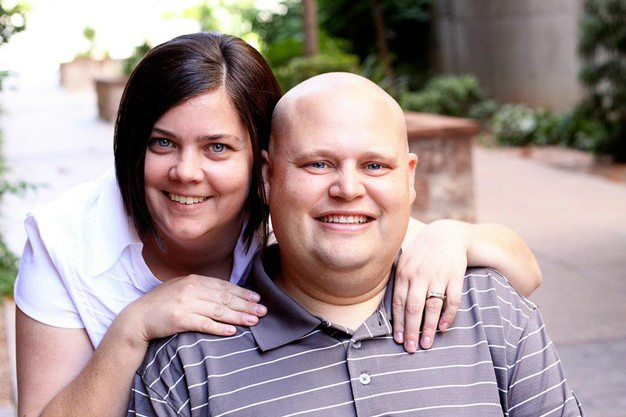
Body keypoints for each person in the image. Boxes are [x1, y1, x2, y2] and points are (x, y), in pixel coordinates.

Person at [15, 33, 541, 417]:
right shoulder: (69, 241)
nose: (186, 171)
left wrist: (456, 235)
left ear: (262, 167)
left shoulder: (297, 209)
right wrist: (133, 327)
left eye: (217, 148)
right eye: (162, 142)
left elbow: (523, 271)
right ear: (133, 145)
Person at [129, 72, 583, 417]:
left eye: (374, 166)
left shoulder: (492, 311)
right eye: (319, 164)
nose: (348, 189)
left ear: (409, 179)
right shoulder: (188, 363)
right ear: (267, 178)